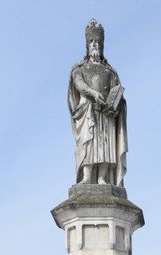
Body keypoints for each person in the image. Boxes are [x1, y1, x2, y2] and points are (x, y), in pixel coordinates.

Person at [68, 19, 128, 186]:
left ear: (102, 45)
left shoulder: (110, 72)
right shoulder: (79, 68)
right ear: (87, 46)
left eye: (97, 42)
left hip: (106, 113)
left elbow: (116, 91)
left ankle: (102, 177)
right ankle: (87, 176)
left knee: (105, 145)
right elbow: (78, 83)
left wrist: (117, 103)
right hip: (89, 111)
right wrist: (92, 93)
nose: (94, 44)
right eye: (91, 42)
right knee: (89, 144)